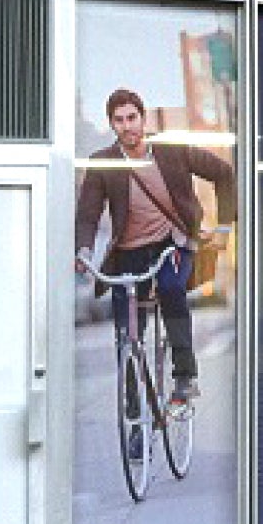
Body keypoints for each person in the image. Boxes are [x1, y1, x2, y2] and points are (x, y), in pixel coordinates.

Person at [75, 88, 237, 406]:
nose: (127, 126)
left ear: (143, 118)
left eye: (132, 118)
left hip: (171, 244)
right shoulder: (102, 163)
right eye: (119, 120)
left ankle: (184, 377)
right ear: (112, 125)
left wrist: (222, 226)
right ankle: (134, 415)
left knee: (170, 289)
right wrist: (84, 250)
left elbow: (224, 173)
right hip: (128, 254)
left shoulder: (172, 151)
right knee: (127, 335)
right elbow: (88, 214)